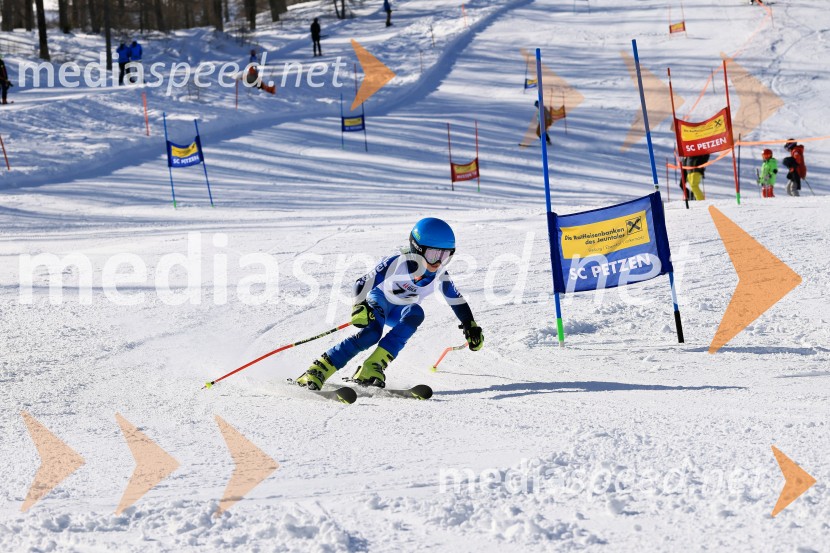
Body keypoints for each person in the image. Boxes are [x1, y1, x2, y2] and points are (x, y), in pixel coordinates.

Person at [296, 218, 484, 390]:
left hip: (401, 312)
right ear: (417, 248)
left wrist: (470, 326)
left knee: (416, 313)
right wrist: (359, 306)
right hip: (380, 301)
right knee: (371, 334)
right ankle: (318, 369)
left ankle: (372, 367)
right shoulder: (397, 262)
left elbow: (457, 302)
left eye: (445, 256)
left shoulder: (440, 275)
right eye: (434, 254)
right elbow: (361, 283)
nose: (438, 262)